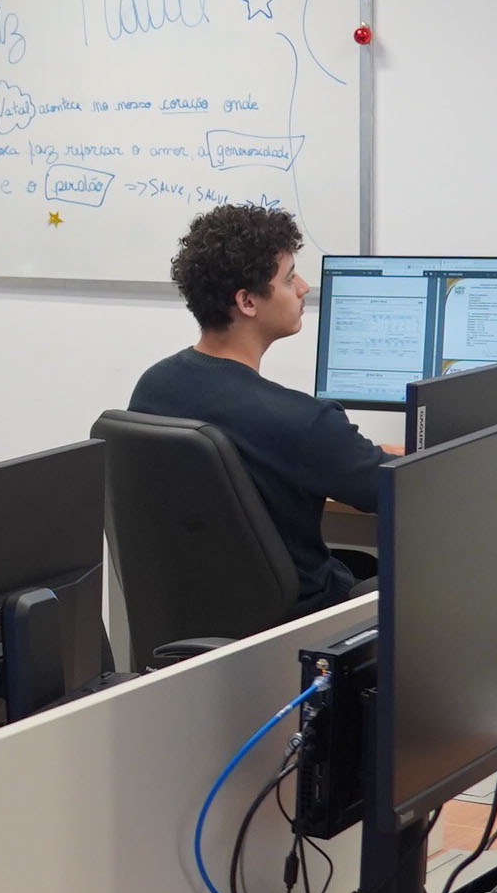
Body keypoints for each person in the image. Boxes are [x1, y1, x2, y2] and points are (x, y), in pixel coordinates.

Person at [128, 204, 388, 604]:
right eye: (289, 278)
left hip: (198, 613)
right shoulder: (306, 423)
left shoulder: (152, 387)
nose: (303, 287)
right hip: (300, 625)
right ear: (248, 301)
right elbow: (402, 489)